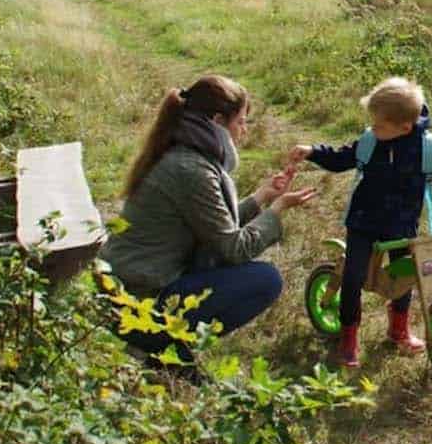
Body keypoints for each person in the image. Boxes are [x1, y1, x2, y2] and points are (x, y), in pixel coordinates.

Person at [101, 74, 317, 365]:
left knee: (234, 271)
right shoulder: (192, 170)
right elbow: (233, 248)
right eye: (241, 121)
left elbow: (212, 228)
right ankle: (161, 349)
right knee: (265, 279)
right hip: (138, 303)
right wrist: (276, 210)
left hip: (129, 291)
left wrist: (260, 197)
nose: (244, 131)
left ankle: (164, 348)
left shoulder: (182, 155)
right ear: (217, 121)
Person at [286, 77, 432, 367]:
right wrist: (313, 152)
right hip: (364, 222)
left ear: (404, 127)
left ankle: (398, 330)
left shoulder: (428, 150)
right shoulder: (371, 142)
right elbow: (341, 157)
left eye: (379, 126)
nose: (372, 129)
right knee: (354, 276)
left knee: (404, 276)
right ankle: (349, 337)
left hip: (402, 224)